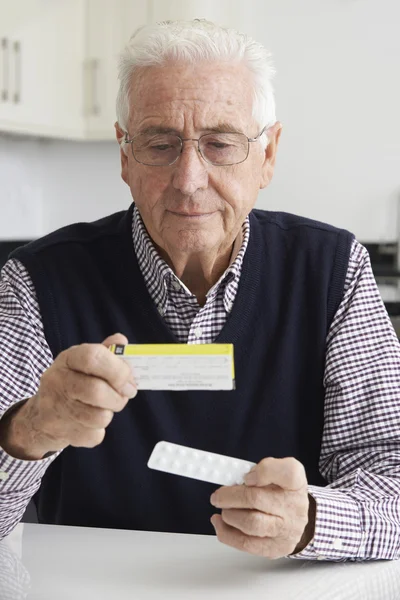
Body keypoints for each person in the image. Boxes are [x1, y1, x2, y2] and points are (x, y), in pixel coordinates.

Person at [0, 19, 399, 563]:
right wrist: (29, 431)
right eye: (160, 144)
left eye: (220, 143)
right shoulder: (37, 281)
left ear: (269, 154)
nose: (189, 178)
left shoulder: (331, 270)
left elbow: (391, 472)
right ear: (124, 154)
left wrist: (311, 522)